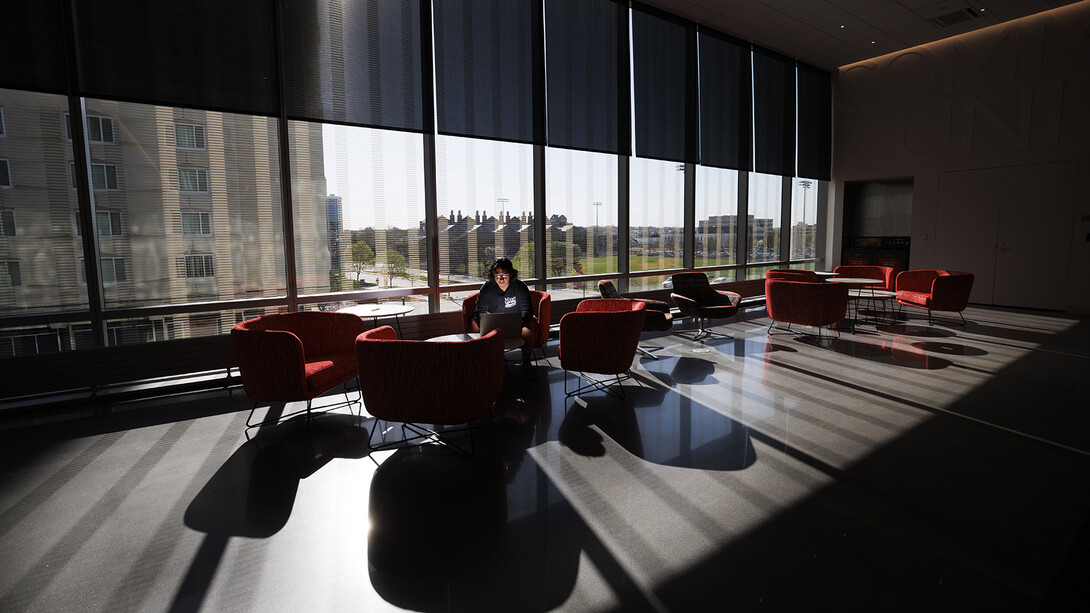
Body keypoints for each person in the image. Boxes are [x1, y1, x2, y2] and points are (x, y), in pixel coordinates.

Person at [471, 258, 537, 367]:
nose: (501, 278)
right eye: (497, 274)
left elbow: (527, 310)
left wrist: (519, 323)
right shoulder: (487, 287)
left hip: (518, 324)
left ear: (511, 274)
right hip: (492, 325)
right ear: (492, 275)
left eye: (504, 274)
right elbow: (479, 310)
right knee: (474, 322)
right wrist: (486, 321)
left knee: (530, 325)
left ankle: (526, 363)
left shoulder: (520, 287)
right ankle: (481, 361)